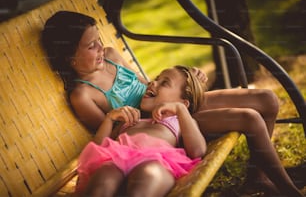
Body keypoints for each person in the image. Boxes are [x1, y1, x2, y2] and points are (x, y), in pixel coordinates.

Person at [41, 11, 303, 196]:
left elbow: (145, 82)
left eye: (99, 40)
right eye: (91, 46)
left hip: (169, 100)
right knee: (248, 117)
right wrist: (167, 108)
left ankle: (259, 176)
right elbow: (113, 135)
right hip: (159, 122)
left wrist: (186, 81)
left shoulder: (109, 56)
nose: (100, 47)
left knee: (266, 99)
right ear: (69, 57)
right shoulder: (83, 95)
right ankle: (280, 187)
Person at [75, 65, 207, 196]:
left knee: (144, 181)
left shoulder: (179, 120)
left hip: (156, 162)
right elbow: (97, 148)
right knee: (103, 179)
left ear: (183, 103)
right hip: (117, 159)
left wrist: (180, 110)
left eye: (164, 83)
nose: (152, 82)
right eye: (156, 78)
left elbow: (198, 151)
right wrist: (109, 118)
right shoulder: (131, 119)